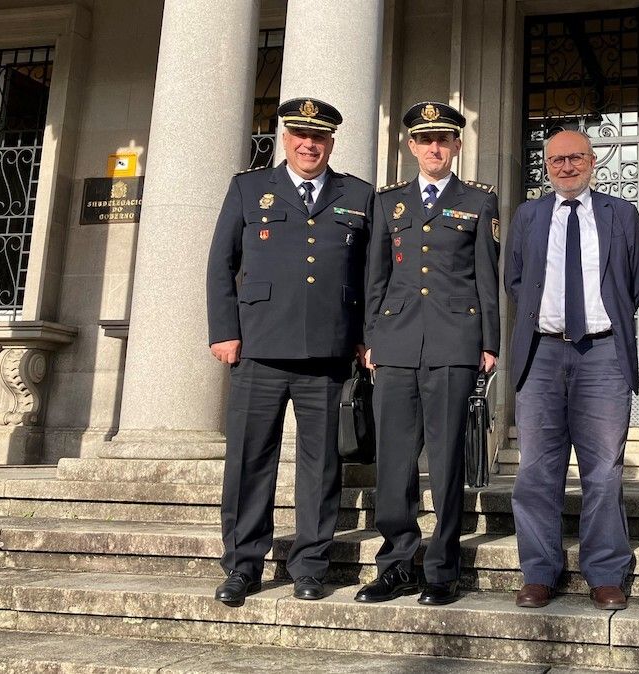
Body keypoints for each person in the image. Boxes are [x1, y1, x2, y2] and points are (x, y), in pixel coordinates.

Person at [206, 97, 373, 605]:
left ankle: (310, 566)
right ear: (285, 139)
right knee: (249, 462)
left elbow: (371, 277)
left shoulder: (359, 195)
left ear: (331, 142)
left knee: (321, 467)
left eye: (319, 137)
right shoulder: (249, 187)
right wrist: (224, 331)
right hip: (258, 347)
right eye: (301, 135)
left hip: (327, 352)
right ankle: (242, 564)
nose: (309, 144)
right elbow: (221, 265)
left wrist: (366, 337)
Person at [355, 101, 500, 607]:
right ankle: (395, 564)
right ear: (411, 146)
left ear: (457, 146)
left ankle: (442, 568)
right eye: (424, 140)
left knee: (445, 461)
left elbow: (487, 276)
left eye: (444, 140)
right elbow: (375, 277)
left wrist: (489, 343)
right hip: (395, 343)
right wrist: (371, 337)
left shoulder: (479, 200)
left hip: (453, 343)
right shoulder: (388, 202)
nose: (434, 148)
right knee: (394, 461)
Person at [504, 130, 639, 611]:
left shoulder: (621, 215)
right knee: (535, 470)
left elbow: (636, 278)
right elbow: (516, 279)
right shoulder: (528, 215)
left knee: (604, 470)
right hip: (542, 353)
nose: (565, 167)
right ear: (545, 166)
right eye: (555, 160)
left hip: (603, 354)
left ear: (593, 160)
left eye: (574, 158)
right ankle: (539, 572)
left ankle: (606, 572)